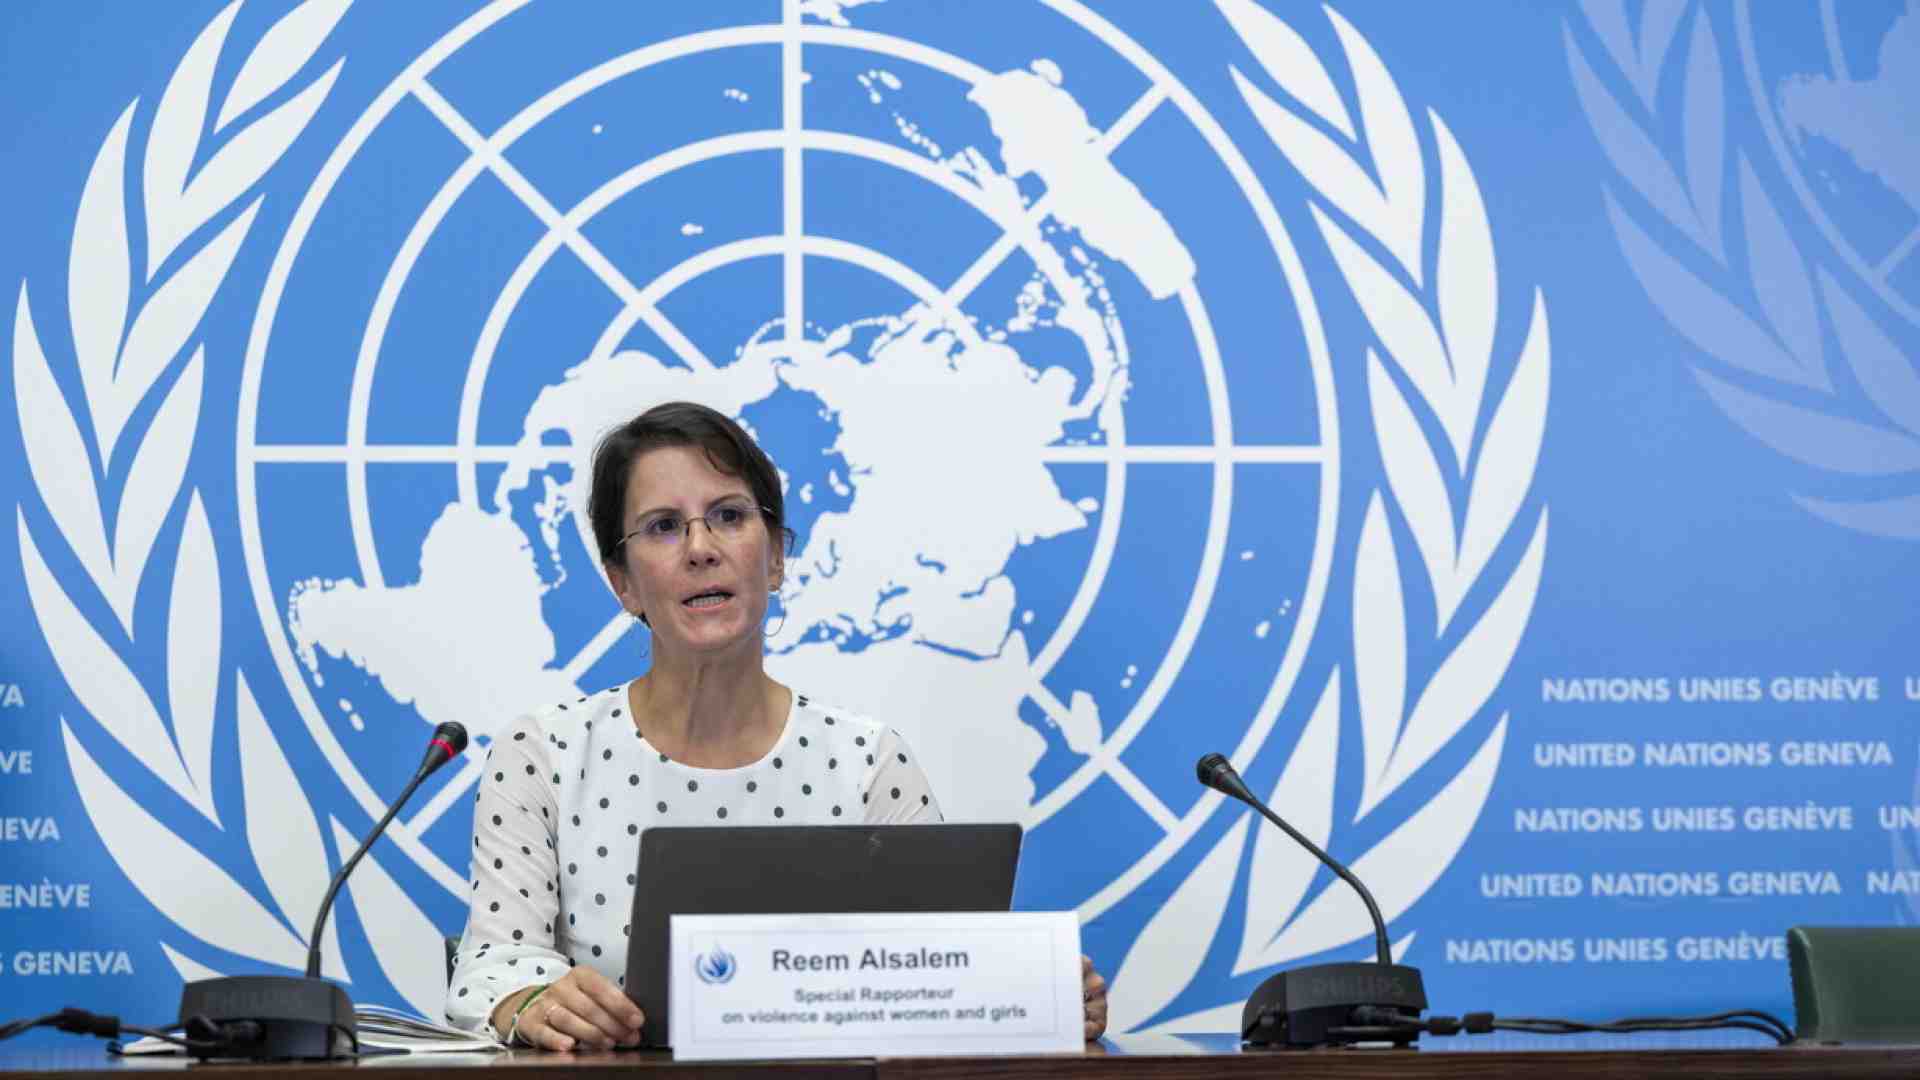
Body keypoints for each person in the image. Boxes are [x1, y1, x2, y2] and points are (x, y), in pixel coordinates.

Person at [445, 401, 1109, 1048]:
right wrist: (528, 1003)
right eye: (664, 527)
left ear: (775, 559)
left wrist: (1036, 990)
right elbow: (491, 970)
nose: (701, 548)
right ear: (623, 583)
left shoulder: (868, 762)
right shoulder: (546, 753)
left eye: (729, 516)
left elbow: (945, 970)